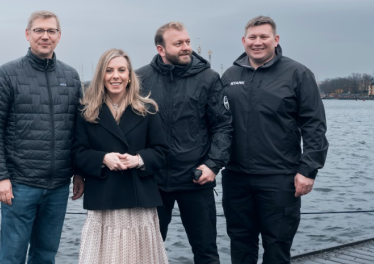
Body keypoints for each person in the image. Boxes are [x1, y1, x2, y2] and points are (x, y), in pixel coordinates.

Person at [221, 16, 328, 264]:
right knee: (240, 243)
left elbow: (314, 125)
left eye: (264, 37)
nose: (257, 42)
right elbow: (218, 124)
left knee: (277, 246)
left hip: (280, 178)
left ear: (276, 39)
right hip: (236, 177)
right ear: (244, 40)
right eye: (252, 37)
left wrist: (308, 170)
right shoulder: (230, 75)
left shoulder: (298, 73)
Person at [0, 10, 84, 264]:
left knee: (46, 256)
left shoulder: (71, 77)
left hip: (59, 185)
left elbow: (79, 130)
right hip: (19, 184)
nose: (45, 36)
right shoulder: (7, 74)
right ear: (28, 34)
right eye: (39, 30)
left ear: (59, 36)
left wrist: (79, 172)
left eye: (51, 31)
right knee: (12, 257)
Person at [136, 22, 232, 264]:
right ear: (161, 49)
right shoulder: (140, 78)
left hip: (196, 178)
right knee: (146, 255)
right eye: (178, 43)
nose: (186, 47)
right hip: (153, 180)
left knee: (206, 253)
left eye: (187, 42)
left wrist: (212, 165)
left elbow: (223, 126)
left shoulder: (209, 78)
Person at [73, 48, 170, 264]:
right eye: (109, 70)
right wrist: (103, 159)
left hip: (139, 201)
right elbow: (78, 153)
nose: (115, 76)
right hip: (103, 201)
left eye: (121, 70)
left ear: (129, 75)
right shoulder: (87, 111)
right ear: (101, 76)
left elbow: (162, 152)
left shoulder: (147, 109)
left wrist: (139, 160)